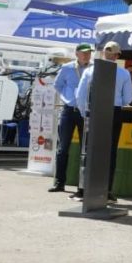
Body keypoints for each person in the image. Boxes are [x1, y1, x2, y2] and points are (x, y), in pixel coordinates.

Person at [74, 41, 132, 201]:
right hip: (114, 111)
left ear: (103, 53)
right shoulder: (124, 73)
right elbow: (128, 98)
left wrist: (84, 113)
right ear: (117, 55)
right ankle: (107, 191)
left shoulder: (90, 71)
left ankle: (83, 189)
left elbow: (80, 95)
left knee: (89, 149)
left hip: (94, 111)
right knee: (111, 151)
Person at [48, 42, 93, 193]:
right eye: (84, 53)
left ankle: (83, 185)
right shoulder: (67, 68)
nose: (87, 55)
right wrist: (66, 98)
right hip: (69, 110)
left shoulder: (94, 69)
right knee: (63, 148)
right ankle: (59, 182)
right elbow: (57, 85)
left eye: (89, 53)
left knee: (85, 148)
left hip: (85, 111)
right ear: (77, 54)